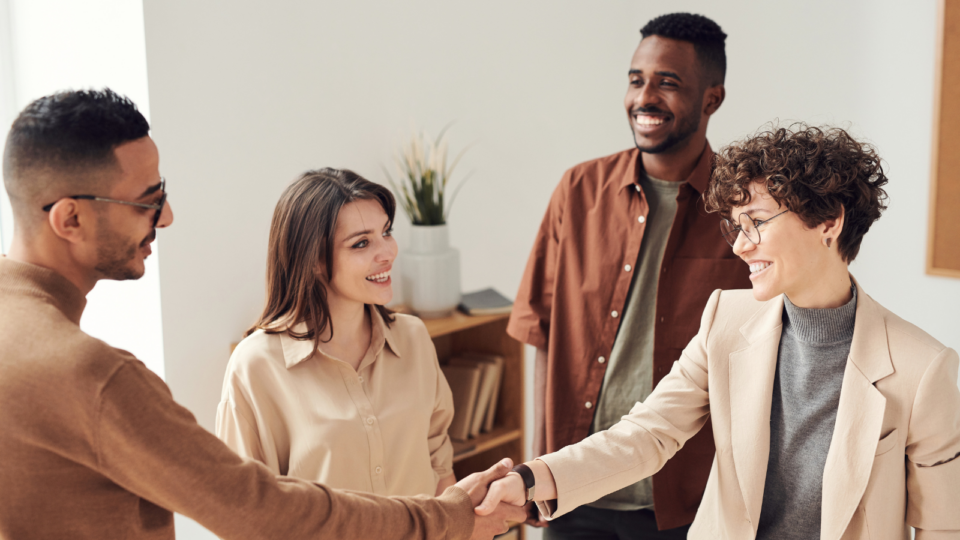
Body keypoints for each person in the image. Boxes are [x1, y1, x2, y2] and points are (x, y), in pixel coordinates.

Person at [0, 88, 525, 539]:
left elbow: (435, 451)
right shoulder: (94, 376)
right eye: (148, 201)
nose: (168, 218)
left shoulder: (410, 337)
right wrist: (445, 519)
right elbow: (255, 509)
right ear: (69, 218)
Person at [478, 124, 960, 539]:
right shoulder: (724, 320)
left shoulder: (922, 367)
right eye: (735, 226)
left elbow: (943, 525)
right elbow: (646, 434)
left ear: (828, 222)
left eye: (756, 222)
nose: (741, 247)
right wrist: (532, 478)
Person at [507, 12, 750, 538]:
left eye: (668, 83)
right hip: (573, 488)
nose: (645, 97)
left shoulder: (742, 209)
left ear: (712, 99)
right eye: (637, 80)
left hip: (687, 500)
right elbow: (542, 334)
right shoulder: (578, 191)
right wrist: (538, 467)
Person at [216, 168, 457, 498]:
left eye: (386, 232)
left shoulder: (412, 338)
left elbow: (439, 466)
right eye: (361, 243)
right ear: (313, 259)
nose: (387, 252)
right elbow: (244, 508)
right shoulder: (257, 365)